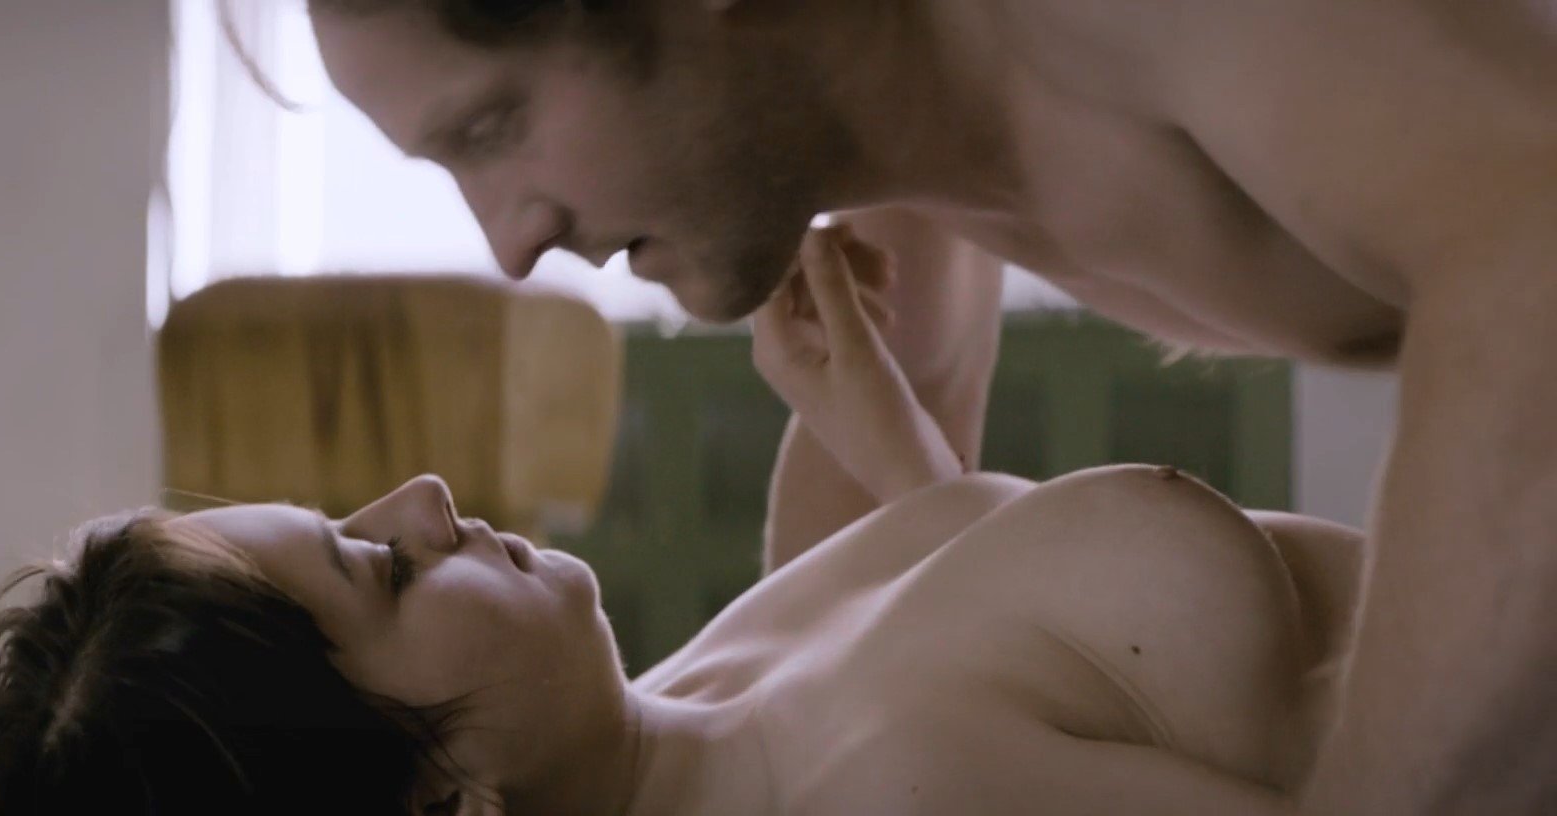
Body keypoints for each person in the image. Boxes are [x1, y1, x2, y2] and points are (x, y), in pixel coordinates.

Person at [283, 2, 1557, 812]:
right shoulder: (903, 134)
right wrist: (890, 437)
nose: (505, 245)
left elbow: (1532, 245)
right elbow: (887, 648)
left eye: (492, 127)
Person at [0, 228, 1365, 814]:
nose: (424, 500)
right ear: (447, 808)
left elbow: (1023, 650)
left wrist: (874, 419)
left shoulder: (675, 709)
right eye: (382, 571)